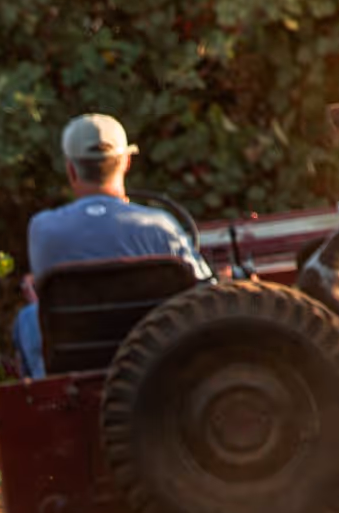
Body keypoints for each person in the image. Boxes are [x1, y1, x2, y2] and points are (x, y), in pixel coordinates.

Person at [14, 114, 209, 376]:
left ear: (71, 169)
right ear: (126, 162)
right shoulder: (161, 226)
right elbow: (207, 293)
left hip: (75, 366)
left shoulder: (42, 229)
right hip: (156, 367)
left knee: (28, 318)